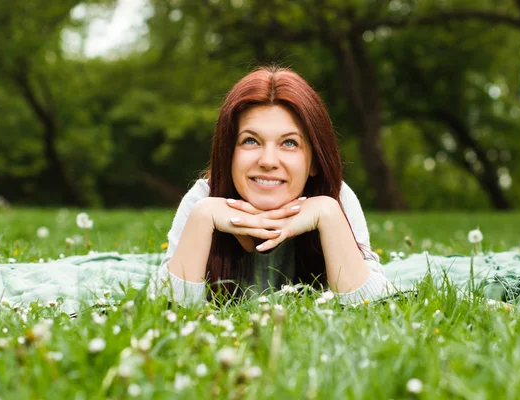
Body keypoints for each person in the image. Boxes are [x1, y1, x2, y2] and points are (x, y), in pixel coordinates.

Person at [148, 66, 393, 305]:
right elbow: (164, 308)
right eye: (251, 140)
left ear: (314, 162)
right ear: (229, 153)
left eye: (289, 143)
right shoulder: (203, 199)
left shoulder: (335, 198)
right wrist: (202, 218)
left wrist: (328, 215)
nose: (267, 161)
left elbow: (373, 303)